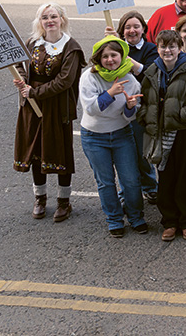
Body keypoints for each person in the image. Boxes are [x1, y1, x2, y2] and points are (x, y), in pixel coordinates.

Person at [13, 3, 86, 222]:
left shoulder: (71, 47)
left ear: (62, 19)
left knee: (60, 151)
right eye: (45, 17)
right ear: (40, 21)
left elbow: (65, 80)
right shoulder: (32, 43)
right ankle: (40, 198)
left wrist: (35, 91)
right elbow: (19, 66)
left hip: (56, 106)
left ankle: (64, 202)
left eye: (53, 16)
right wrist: (22, 81)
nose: (49, 20)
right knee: (35, 151)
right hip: (32, 106)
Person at [138, 30, 186, 241]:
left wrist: (180, 115)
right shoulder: (152, 71)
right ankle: (169, 221)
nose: (167, 50)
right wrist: (146, 117)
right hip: (161, 133)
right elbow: (143, 101)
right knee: (166, 177)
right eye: (163, 46)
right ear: (158, 48)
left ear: (179, 48)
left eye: (172, 46)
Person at [78, 36, 146, 237]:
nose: (110, 60)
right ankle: (114, 219)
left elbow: (130, 116)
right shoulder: (89, 77)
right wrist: (110, 93)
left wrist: (130, 106)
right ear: (98, 58)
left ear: (122, 56)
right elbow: (91, 109)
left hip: (121, 134)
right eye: (105, 56)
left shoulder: (131, 80)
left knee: (131, 179)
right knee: (105, 181)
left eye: (114, 55)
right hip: (93, 136)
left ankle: (136, 216)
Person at [110, 11, 159, 205]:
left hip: (141, 110)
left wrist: (124, 55)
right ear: (122, 31)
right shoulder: (113, 49)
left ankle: (150, 186)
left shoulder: (150, 49)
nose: (132, 30)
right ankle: (126, 193)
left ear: (143, 29)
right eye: (127, 27)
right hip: (119, 110)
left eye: (136, 26)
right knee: (123, 155)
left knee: (141, 152)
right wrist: (112, 48)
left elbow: (150, 75)